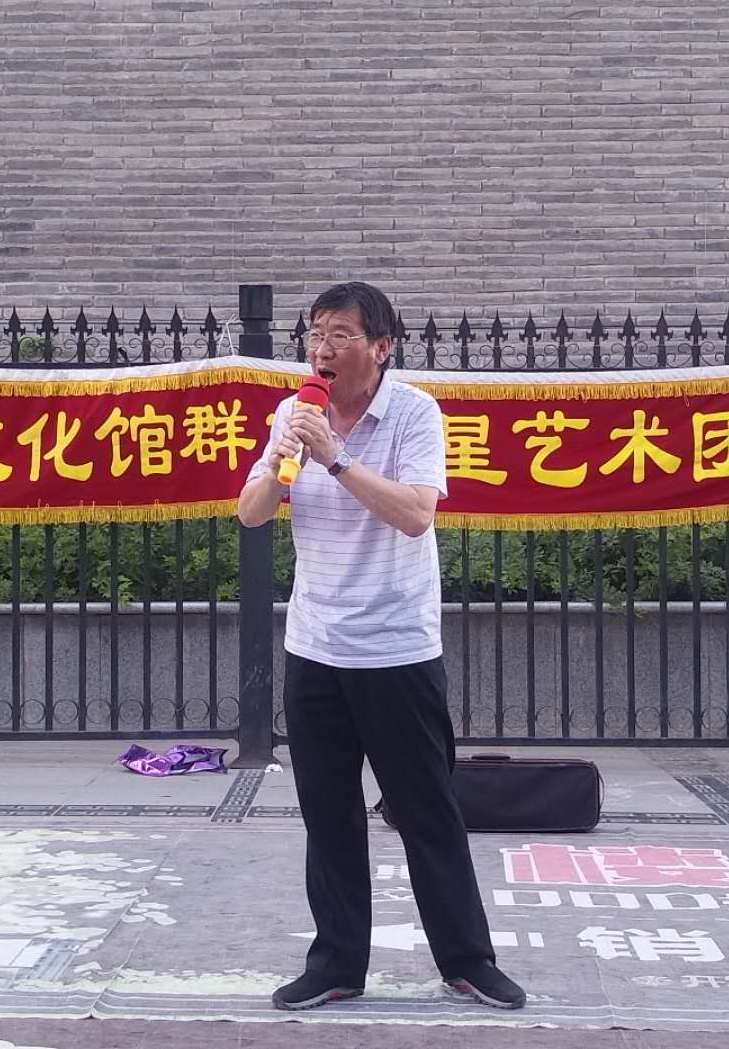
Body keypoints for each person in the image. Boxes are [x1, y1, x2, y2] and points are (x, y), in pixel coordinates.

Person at [237, 281, 525, 1012]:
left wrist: (335, 459)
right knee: (328, 816)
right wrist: (283, 462)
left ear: (382, 347)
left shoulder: (414, 412)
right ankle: (336, 964)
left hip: (396, 649)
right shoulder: (293, 413)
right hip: (315, 647)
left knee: (426, 812)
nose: (323, 348)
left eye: (340, 334)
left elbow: (416, 515)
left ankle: (467, 961)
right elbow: (251, 514)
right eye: (315, 334)